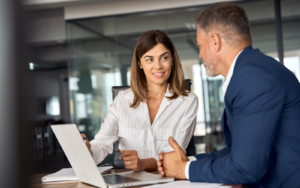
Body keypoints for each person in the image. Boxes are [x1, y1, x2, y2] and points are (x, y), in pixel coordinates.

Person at [157, 2, 300, 188]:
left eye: (200, 45)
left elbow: (244, 168)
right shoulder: (254, 70)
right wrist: (188, 160)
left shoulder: (252, 79)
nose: (200, 55)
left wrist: (184, 170)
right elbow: (239, 152)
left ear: (215, 42)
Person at [81, 30, 198, 172]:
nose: (158, 66)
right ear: (139, 63)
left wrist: (143, 164)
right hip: (132, 181)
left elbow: (174, 154)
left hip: (170, 180)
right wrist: (88, 151)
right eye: (149, 59)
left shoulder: (188, 102)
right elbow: (102, 143)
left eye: (164, 58)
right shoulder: (122, 101)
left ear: (172, 59)